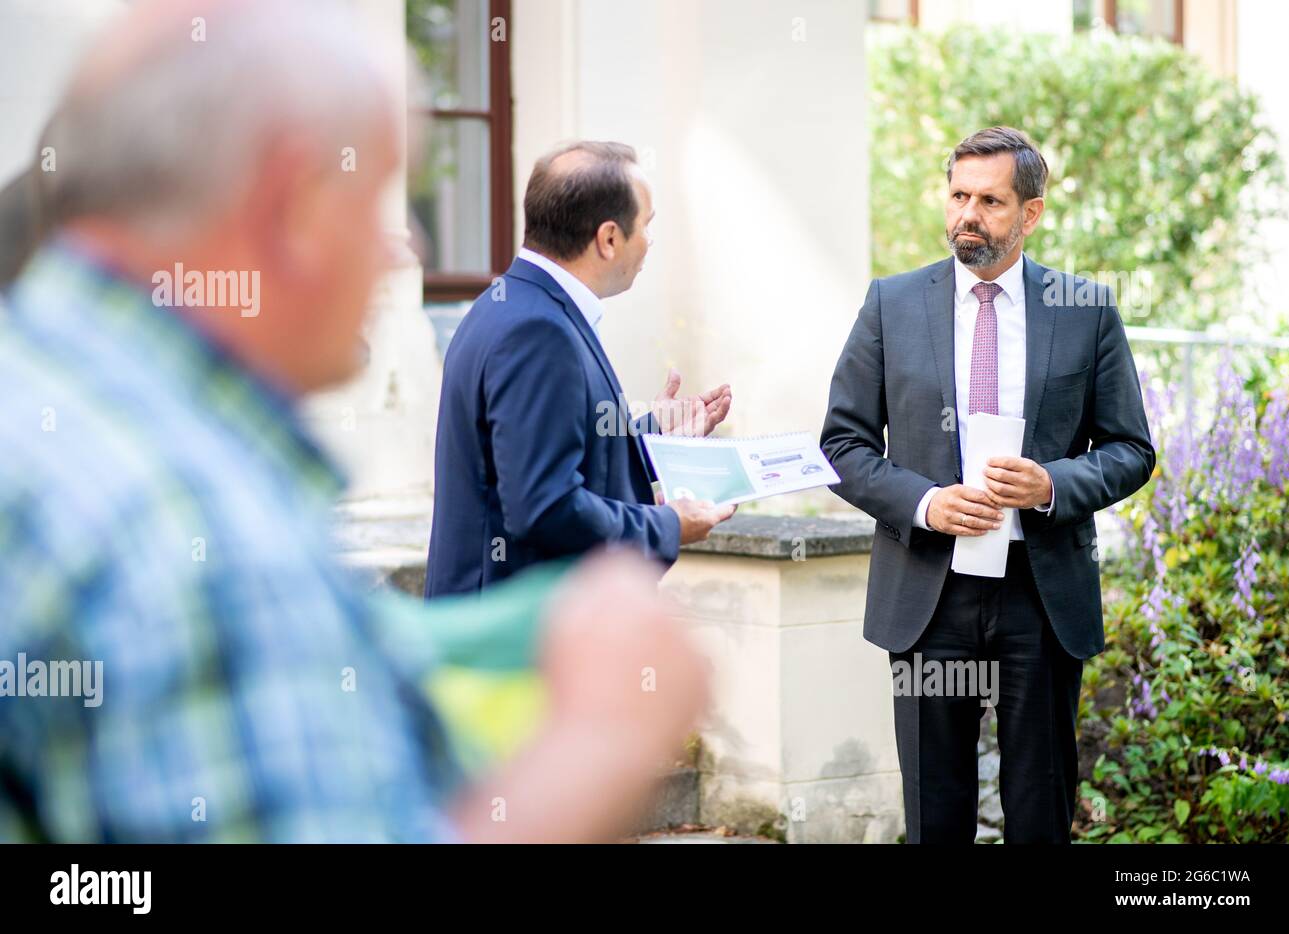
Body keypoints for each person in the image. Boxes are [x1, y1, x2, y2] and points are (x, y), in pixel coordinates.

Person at [0, 0, 708, 844]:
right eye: (379, 198)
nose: (398, 246)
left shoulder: (58, 407)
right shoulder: (194, 525)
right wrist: (601, 743)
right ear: (290, 205)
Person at [821, 126, 1155, 843]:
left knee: (1040, 809)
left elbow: (1131, 448)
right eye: (957, 196)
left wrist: (1052, 484)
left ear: (1030, 214)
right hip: (927, 595)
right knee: (935, 815)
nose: (967, 215)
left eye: (990, 201)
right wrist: (926, 502)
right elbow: (842, 446)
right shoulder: (893, 304)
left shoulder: (1084, 307)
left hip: (1042, 596)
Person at [424, 141, 736, 597]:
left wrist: (653, 437)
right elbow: (544, 506)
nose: (650, 240)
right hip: (514, 645)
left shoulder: (510, 303)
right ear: (609, 239)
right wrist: (667, 524)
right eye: (647, 225)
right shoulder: (536, 330)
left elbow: (544, 451)